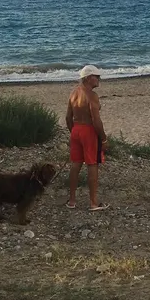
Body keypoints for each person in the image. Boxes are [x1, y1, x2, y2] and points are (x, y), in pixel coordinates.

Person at [66, 65, 109, 211]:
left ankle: (72, 201)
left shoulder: (74, 93)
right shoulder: (92, 95)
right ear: (88, 78)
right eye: (96, 76)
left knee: (76, 164)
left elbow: (68, 117)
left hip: (76, 129)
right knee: (92, 164)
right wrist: (103, 139)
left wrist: (74, 132)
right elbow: (96, 120)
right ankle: (93, 203)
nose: (99, 79)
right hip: (88, 130)